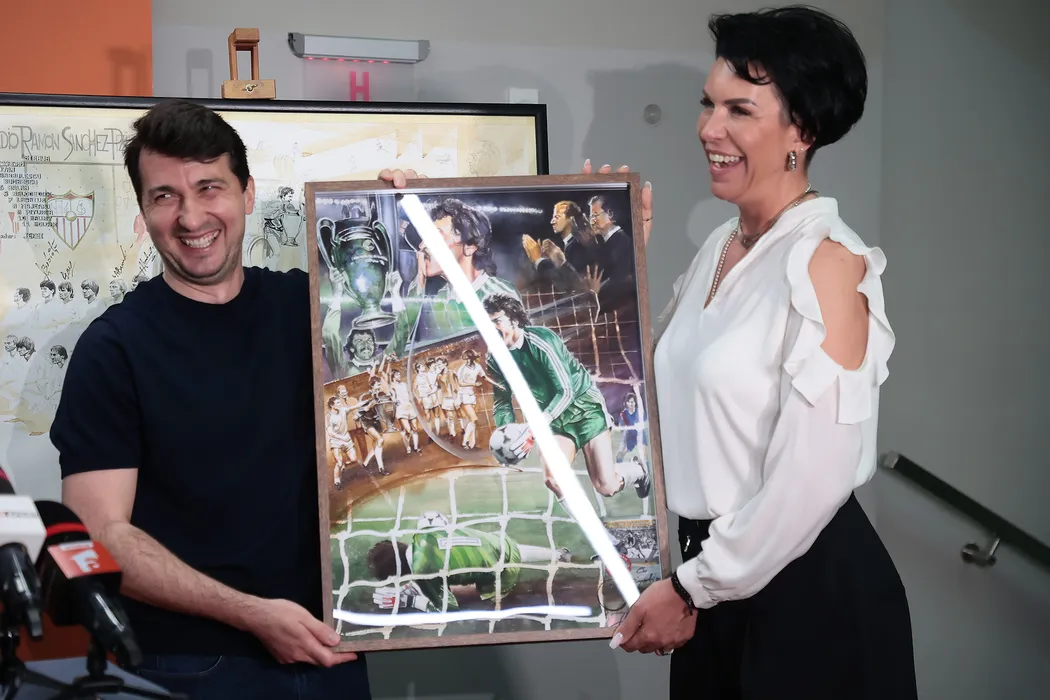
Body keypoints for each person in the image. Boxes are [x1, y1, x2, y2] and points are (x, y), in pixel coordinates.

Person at [604, 6, 918, 699]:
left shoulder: (828, 263)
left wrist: (694, 587)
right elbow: (654, 405)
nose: (708, 128)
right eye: (708, 104)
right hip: (716, 584)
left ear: (803, 129)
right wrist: (619, 266)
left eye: (739, 110)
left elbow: (812, 480)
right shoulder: (723, 247)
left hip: (805, 602)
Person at [49, 98, 375, 700]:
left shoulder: (312, 312)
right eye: (164, 196)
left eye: (209, 187)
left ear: (247, 193)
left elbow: (428, 316)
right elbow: (99, 533)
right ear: (144, 212)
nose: (190, 216)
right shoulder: (114, 349)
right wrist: (253, 614)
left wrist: (409, 206)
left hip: (332, 650)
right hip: (191, 666)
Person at [482, 293, 650, 505]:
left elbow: (567, 391)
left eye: (497, 321)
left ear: (514, 319)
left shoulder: (541, 341)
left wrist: (535, 427)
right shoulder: (494, 358)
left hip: (584, 409)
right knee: (554, 480)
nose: (492, 329)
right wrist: (508, 433)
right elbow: (502, 401)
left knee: (606, 486)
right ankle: (597, 528)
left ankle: (637, 470)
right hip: (555, 422)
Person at [366, 510, 571, 613]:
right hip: (501, 541)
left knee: (461, 592)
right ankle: (558, 554)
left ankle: (505, 593)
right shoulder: (422, 535)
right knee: (504, 550)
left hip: (504, 572)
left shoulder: (422, 572)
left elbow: (449, 609)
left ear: (398, 573)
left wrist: (411, 600)